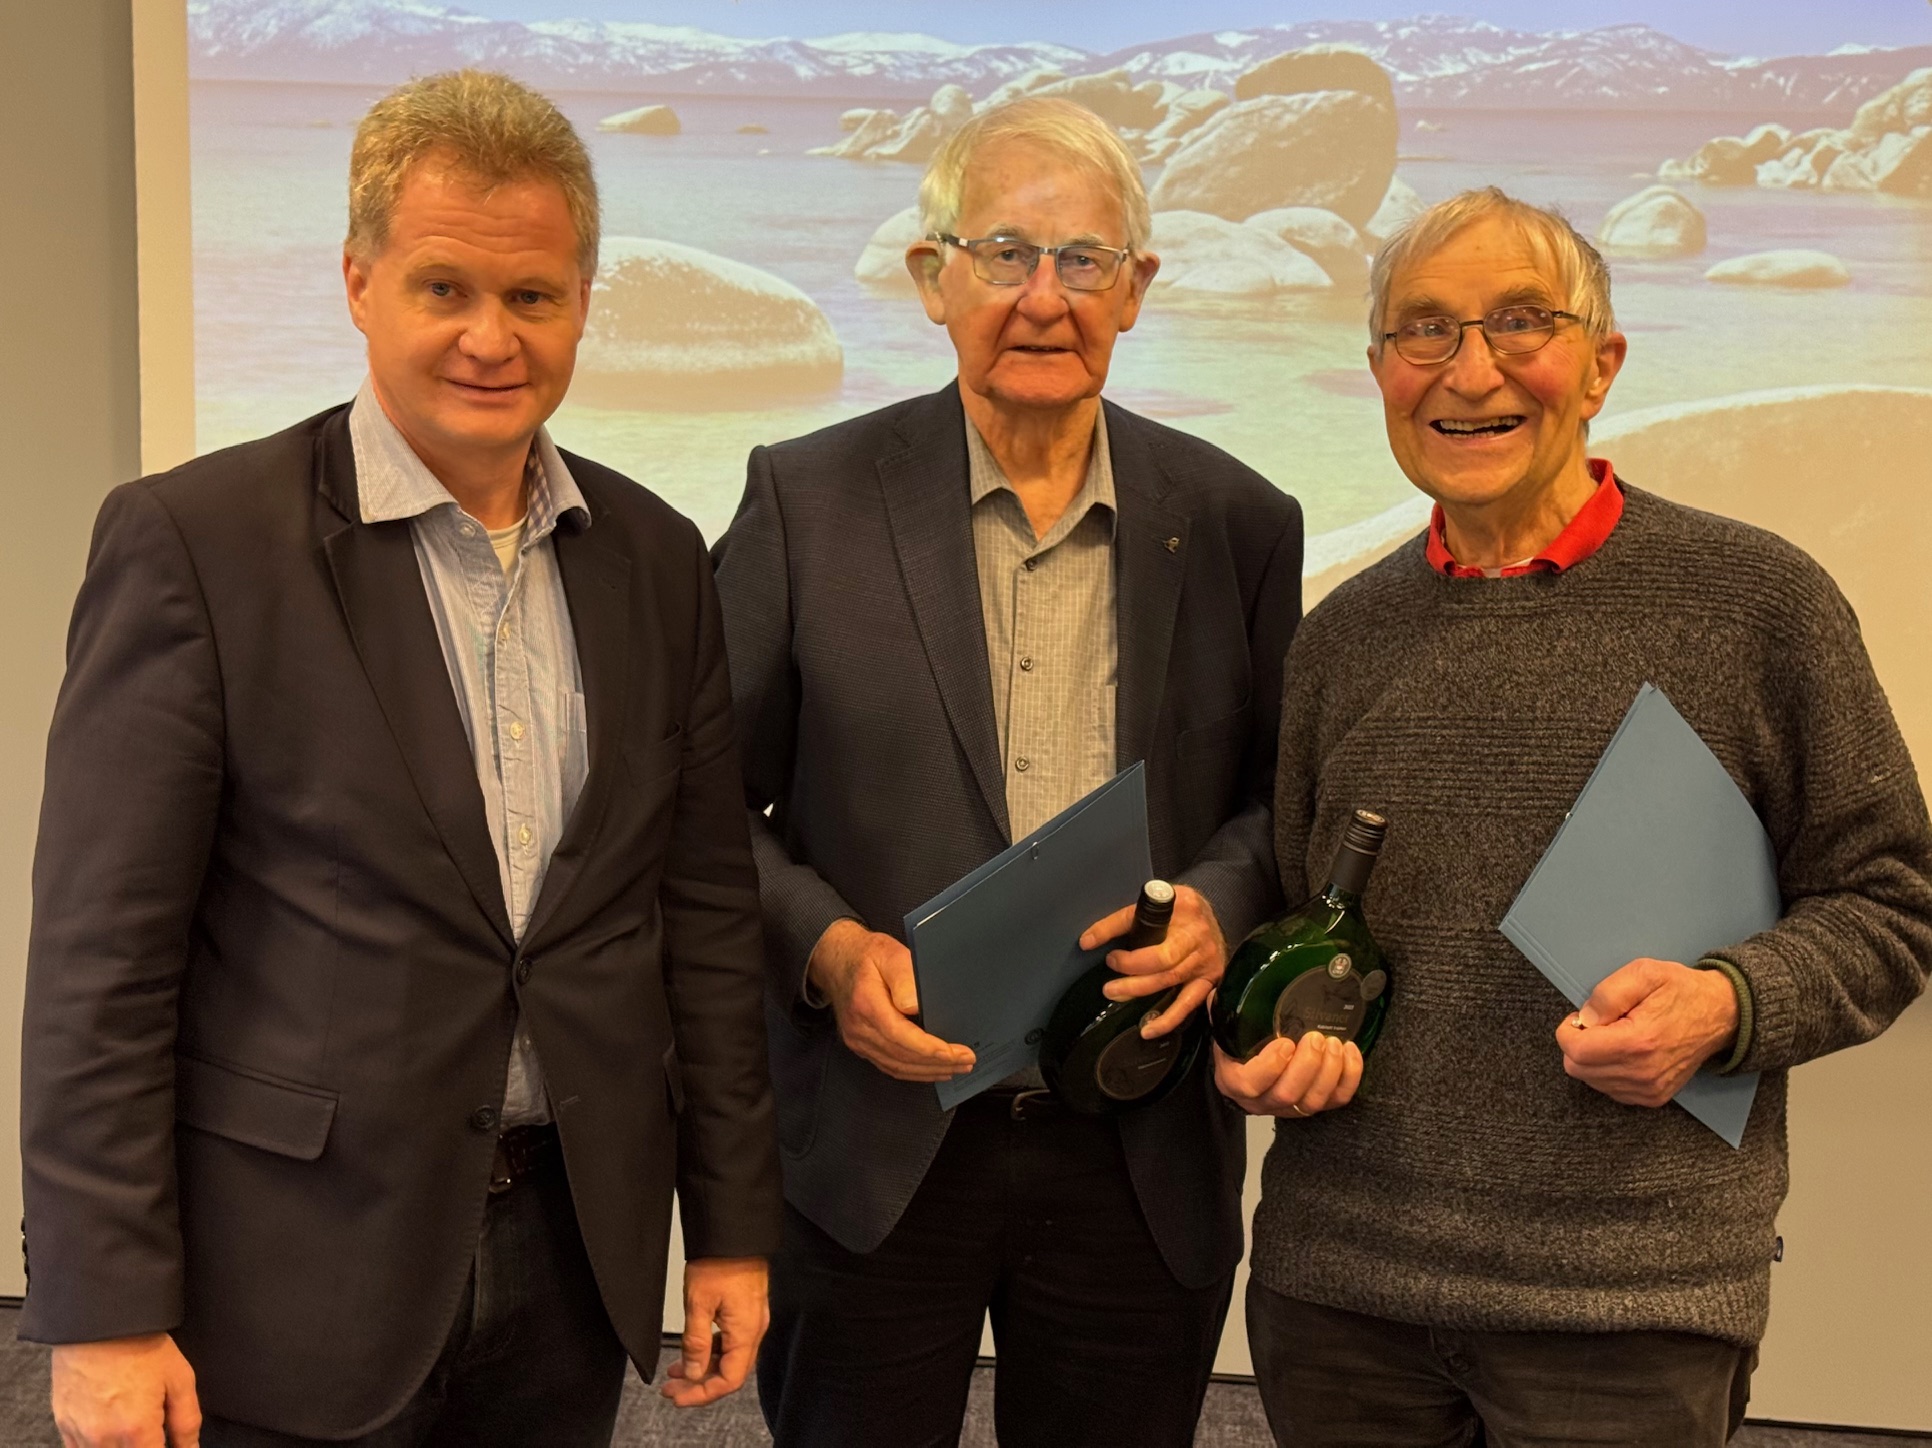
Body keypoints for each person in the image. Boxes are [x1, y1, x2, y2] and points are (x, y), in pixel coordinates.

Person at [20, 70, 780, 1448]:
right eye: (445, 288)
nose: (492, 336)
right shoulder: (196, 544)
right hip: (290, 1265)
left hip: (570, 1252)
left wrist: (730, 1226)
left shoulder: (660, 559)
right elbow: (103, 963)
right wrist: (104, 1308)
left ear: (583, 302)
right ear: (360, 282)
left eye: (532, 295)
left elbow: (707, 920)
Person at [1218, 186, 1932, 1447]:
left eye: (1520, 321)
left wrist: (1728, 1002)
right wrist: (1262, 1041)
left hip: (1629, 1304)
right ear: (1380, 369)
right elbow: (1296, 912)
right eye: (1424, 329)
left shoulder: (1759, 603)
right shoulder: (1338, 638)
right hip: (1339, 1291)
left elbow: (1892, 901)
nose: (1469, 370)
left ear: (1602, 363)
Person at [711, 96, 1302, 1448]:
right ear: (935, 277)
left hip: (1138, 1141)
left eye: (1083, 259)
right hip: (874, 1145)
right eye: (1005, 254)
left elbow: (1286, 797)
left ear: (1135, 289)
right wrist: (826, 950)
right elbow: (694, 804)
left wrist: (1223, 904)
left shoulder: (1238, 519)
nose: (1045, 297)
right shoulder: (805, 501)